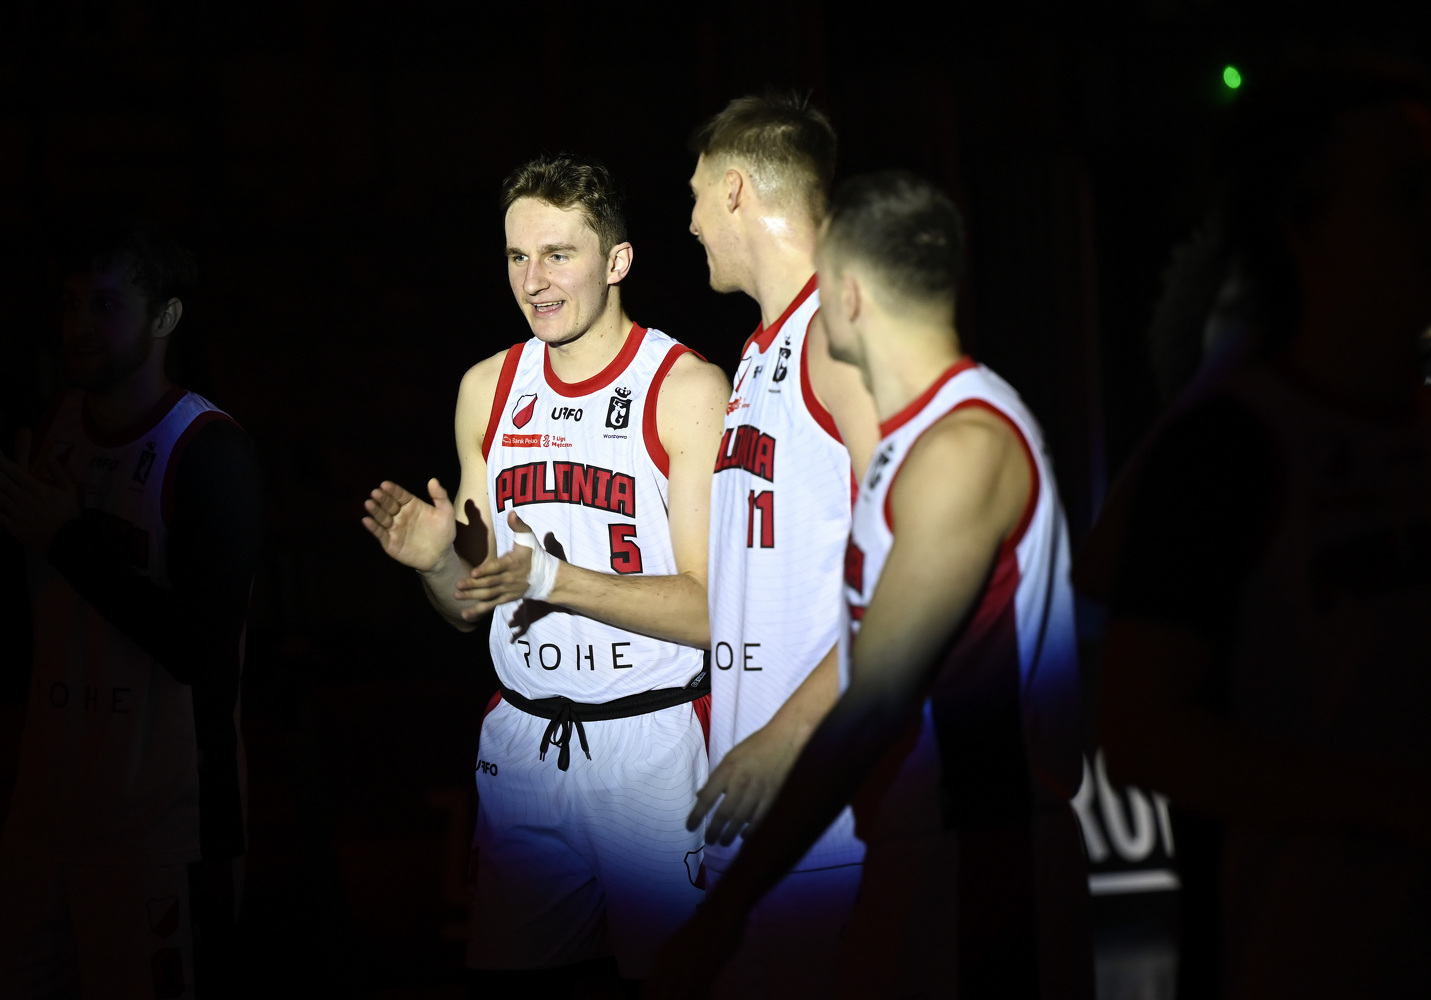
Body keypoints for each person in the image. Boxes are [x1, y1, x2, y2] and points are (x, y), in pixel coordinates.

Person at [650, 172, 1091, 999]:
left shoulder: (960, 445)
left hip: (982, 856)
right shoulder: (912, 440)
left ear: (847, 296)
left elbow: (875, 700)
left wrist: (727, 910)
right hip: (919, 844)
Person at [1098, 58, 1431, 998]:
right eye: (1404, 194)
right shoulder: (1226, 449)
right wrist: (1393, 800)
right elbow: (1141, 729)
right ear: (1305, 226)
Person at [360, 154, 729, 986]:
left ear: (616, 261)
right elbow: (466, 607)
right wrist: (434, 564)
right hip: (524, 743)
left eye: (558, 255)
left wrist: (549, 581)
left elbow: (710, 612)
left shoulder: (686, 388)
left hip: (654, 745)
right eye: (517, 257)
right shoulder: (487, 388)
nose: (534, 281)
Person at [0, 225, 263, 999]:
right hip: (45, 811)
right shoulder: (49, 429)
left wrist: (66, 538)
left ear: (166, 317)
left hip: (160, 828)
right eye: (71, 302)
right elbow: (40, 613)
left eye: (106, 304)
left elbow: (198, 649)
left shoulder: (208, 449)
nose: (78, 324)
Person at [683, 92, 880, 997]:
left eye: (693, 196)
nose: (690, 223)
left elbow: (915, 575)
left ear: (732, 189)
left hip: (831, 822)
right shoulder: (764, 350)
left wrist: (784, 735)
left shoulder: (840, 336)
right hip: (764, 828)